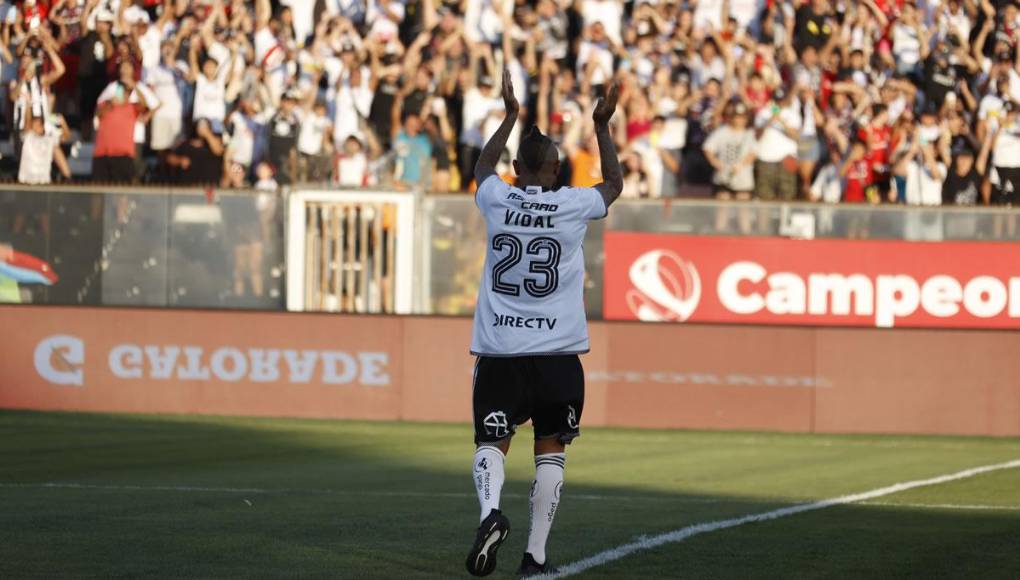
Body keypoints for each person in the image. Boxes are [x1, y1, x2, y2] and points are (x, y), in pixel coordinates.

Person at [464, 69, 622, 578]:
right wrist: (601, 126)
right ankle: (534, 559)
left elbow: (482, 167)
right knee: (550, 452)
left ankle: (490, 515)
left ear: (518, 166)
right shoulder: (574, 203)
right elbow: (614, 184)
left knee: (491, 445)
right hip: (557, 357)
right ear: (556, 169)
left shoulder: (496, 197)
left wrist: (510, 114)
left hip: (500, 353)